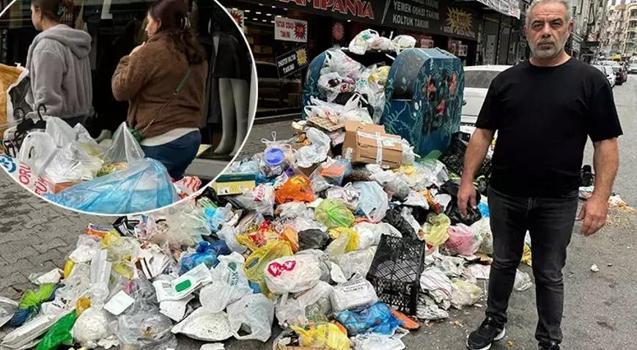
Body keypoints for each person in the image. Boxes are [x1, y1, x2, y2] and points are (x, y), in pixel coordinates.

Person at [458, 0, 622, 349]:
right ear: (526, 30)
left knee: (549, 273)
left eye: (555, 23)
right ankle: (494, 321)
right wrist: (467, 181)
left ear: (569, 28)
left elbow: (605, 143)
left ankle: (549, 340)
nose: (546, 31)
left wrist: (600, 198)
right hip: (505, 194)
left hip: (557, 199)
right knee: (502, 262)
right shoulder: (506, 81)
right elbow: (482, 133)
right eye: (538, 24)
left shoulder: (590, 81)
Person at [112, 0, 207, 180]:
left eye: (149, 21)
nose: (146, 28)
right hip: (190, 137)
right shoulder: (196, 52)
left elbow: (120, 90)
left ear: (159, 23)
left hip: (159, 139)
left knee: (145, 196)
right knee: (170, 190)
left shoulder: (151, 51)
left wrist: (129, 59)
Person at [26, 0, 93, 126]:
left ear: (39, 11)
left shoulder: (46, 47)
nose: (31, 16)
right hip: (79, 125)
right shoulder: (75, 41)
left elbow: (46, 103)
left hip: (55, 129)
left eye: (32, 11)